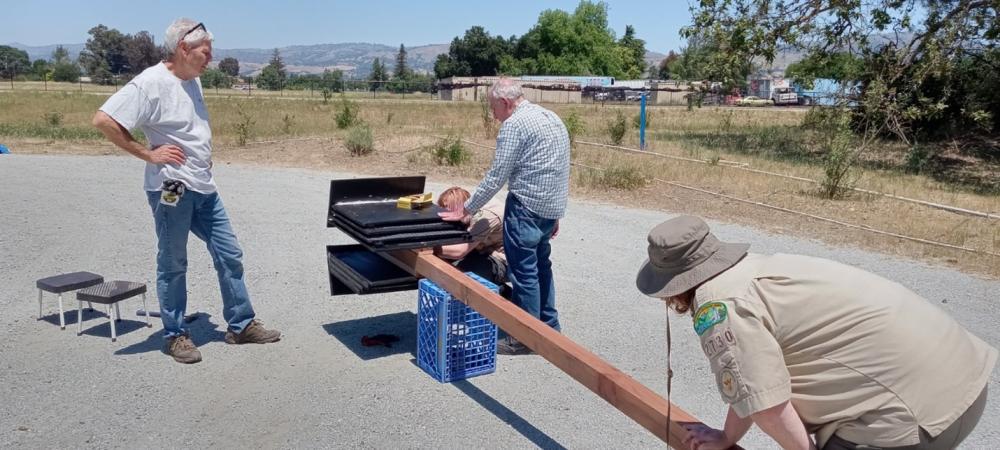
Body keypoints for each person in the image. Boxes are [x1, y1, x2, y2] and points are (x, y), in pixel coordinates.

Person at [635, 215, 996, 450]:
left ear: (673, 285)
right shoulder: (757, 269)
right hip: (963, 385)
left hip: (912, 421)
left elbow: (769, 408)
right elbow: (753, 385)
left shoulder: (720, 305)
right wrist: (729, 436)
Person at [92, 18, 280, 364]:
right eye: (205, 52)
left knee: (229, 252)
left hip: (204, 186)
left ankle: (241, 325)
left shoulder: (193, 80)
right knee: (173, 262)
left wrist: (203, 157)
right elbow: (104, 120)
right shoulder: (150, 83)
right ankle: (175, 334)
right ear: (183, 48)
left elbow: (189, 129)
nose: (210, 59)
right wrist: (149, 154)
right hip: (172, 187)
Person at [439, 78, 571, 355]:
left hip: (525, 208)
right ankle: (549, 327)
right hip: (547, 208)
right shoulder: (550, 117)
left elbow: (496, 176)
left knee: (525, 273)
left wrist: (467, 209)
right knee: (542, 267)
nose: (493, 114)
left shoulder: (514, 125)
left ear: (505, 102)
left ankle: (523, 337)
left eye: (493, 107)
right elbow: (560, 168)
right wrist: (556, 212)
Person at [434, 186, 510, 297]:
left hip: (502, 260)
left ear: (460, 205)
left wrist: (429, 248)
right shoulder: (473, 203)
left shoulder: (485, 217)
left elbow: (460, 251)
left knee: (466, 276)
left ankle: (504, 296)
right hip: (482, 250)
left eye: (448, 209)